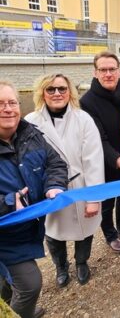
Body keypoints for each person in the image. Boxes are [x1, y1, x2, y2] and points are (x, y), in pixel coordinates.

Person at [25, 74, 104, 287]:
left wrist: (93, 197)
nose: (57, 93)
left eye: (62, 88)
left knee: (84, 229)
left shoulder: (83, 119)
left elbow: (94, 161)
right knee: (53, 233)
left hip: (80, 188)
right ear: (42, 92)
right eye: (51, 89)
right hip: (49, 190)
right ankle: (61, 267)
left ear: (70, 92)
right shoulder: (30, 122)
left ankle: (81, 262)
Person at [0, 81, 68, 318]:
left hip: (28, 228)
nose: (7, 109)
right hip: (5, 237)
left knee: (7, 282)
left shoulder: (32, 135)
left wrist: (55, 186)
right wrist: (7, 202)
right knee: (30, 284)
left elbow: (56, 163)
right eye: (0, 104)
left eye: (12, 103)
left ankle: (12, 308)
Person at [80, 51, 120, 253]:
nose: (108, 74)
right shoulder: (87, 102)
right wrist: (116, 159)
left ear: (119, 70)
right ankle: (110, 234)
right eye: (103, 70)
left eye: (112, 69)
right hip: (105, 160)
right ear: (95, 72)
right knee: (107, 201)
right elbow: (98, 140)